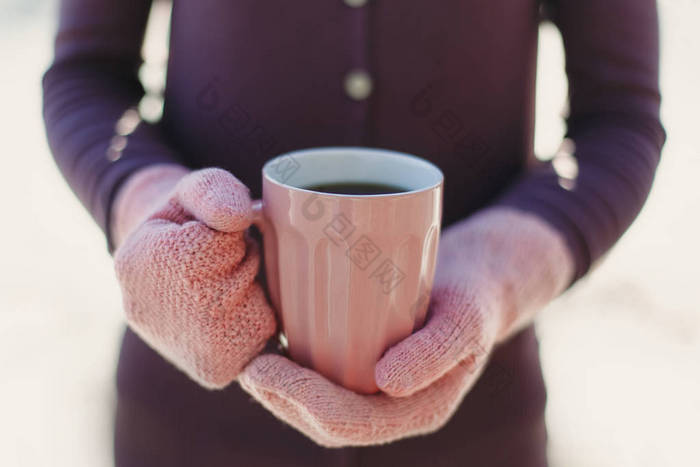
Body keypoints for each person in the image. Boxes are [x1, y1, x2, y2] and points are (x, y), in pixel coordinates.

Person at [42, 0, 665, 465]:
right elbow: (86, 71)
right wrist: (147, 204)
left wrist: (502, 269)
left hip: (480, 429)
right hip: (190, 427)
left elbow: (618, 116)